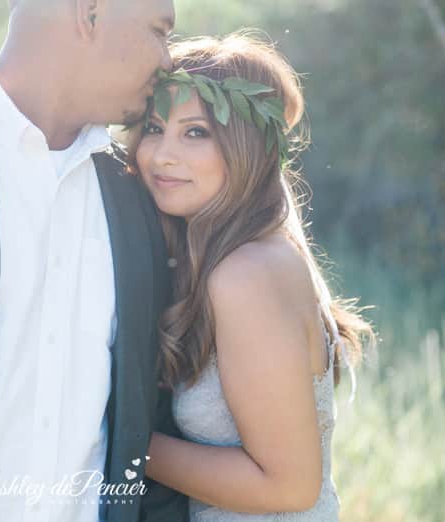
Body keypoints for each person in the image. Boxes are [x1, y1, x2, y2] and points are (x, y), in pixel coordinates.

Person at [0, 0, 188, 521]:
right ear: (89, 12)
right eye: (160, 31)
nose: (169, 59)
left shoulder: (139, 196)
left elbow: (146, 417)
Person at [129, 33, 372, 519]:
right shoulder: (228, 256)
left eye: (195, 132)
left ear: (247, 147)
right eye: (154, 128)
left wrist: (125, 441)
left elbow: (289, 487)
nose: (161, 155)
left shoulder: (247, 273)